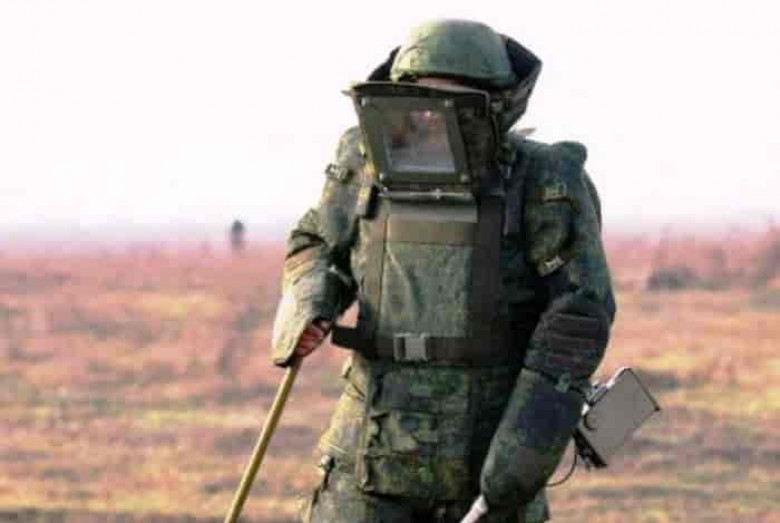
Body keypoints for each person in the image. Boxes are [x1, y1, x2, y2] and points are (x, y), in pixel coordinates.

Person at [270, 19, 615, 523]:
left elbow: (579, 313)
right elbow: (318, 242)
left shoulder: (543, 180)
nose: (431, 118)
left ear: (494, 105)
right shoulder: (363, 160)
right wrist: (311, 306)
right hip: (369, 448)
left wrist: (519, 457)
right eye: (419, 98)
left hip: (487, 453)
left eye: (451, 102)